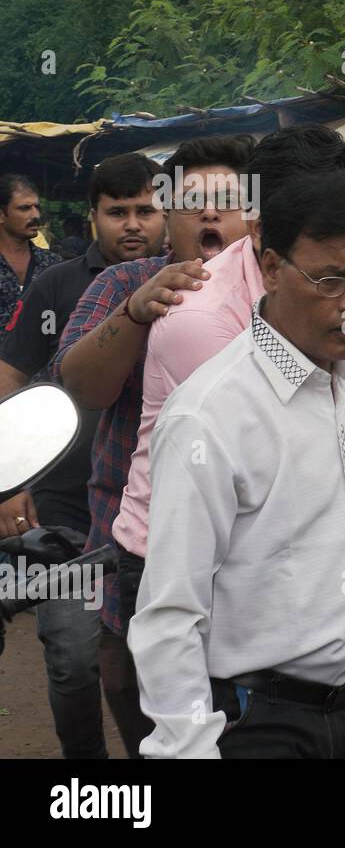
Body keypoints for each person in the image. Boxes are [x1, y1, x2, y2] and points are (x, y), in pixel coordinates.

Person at [110, 125, 345, 756]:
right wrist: (188, 744)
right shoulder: (209, 412)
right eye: (328, 282)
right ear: (269, 264)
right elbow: (173, 610)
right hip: (263, 718)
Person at [50, 135, 255, 756]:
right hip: (137, 531)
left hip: (251, 532)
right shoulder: (126, 282)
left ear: (253, 212)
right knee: (132, 663)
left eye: (228, 200)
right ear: (171, 215)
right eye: (194, 202)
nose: (211, 214)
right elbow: (79, 386)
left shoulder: (280, 292)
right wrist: (137, 314)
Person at [0, 153, 166, 758]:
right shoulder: (57, 285)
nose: (131, 225)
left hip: (165, 515)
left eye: (145, 210)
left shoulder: (201, 285)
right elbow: (6, 378)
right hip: (71, 515)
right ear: (92, 216)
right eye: (116, 211)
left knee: (159, 668)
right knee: (75, 665)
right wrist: (10, 481)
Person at [0, 174, 59, 339]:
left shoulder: (52, 265)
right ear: (1, 215)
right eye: (24, 208)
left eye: (37, 207)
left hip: (41, 363)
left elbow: (56, 323)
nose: (35, 215)